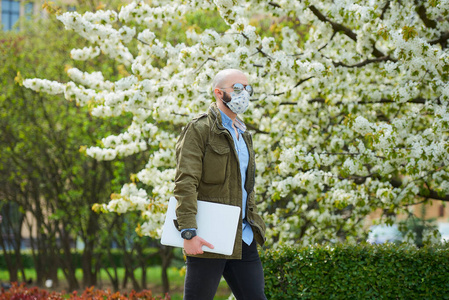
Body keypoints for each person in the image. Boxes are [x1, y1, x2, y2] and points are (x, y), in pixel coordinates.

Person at [173, 69, 267, 300]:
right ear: (218, 92)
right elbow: (186, 181)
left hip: (243, 236)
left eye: (247, 88)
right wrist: (188, 231)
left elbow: (246, 186)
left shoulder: (244, 133)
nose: (243, 93)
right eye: (237, 88)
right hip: (208, 236)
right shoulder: (200, 129)